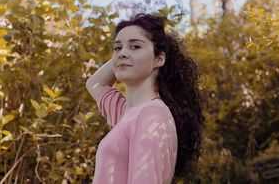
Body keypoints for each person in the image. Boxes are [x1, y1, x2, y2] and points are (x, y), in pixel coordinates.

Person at [86, 13, 204, 184]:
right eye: (117, 48)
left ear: (159, 59)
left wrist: (155, 43)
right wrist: (124, 53)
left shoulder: (150, 115)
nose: (122, 53)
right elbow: (94, 84)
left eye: (135, 46)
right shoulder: (126, 113)